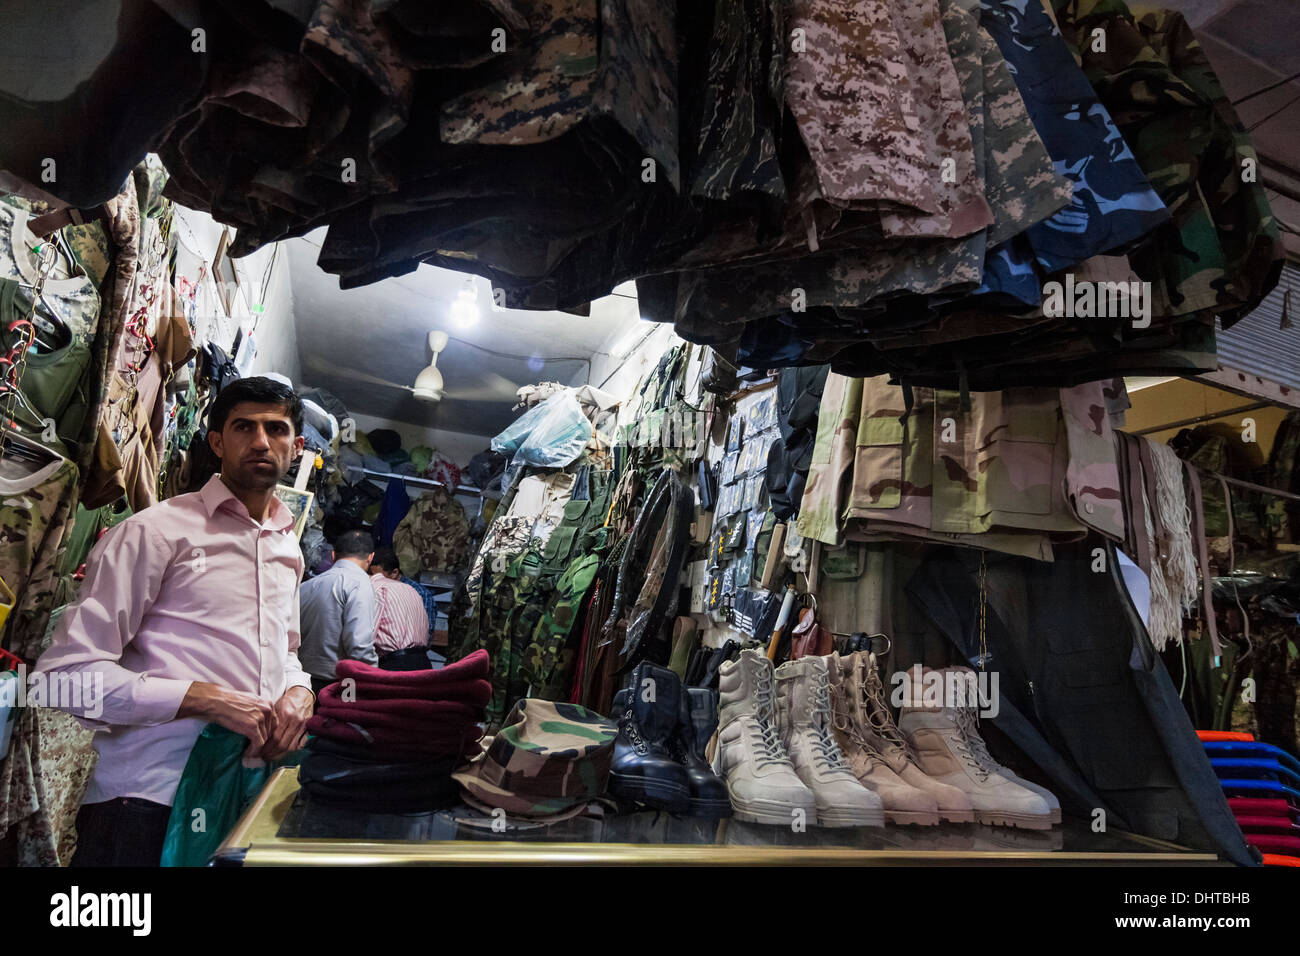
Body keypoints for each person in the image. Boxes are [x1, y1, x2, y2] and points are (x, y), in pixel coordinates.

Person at [34, 376, 316, 867]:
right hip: (146, 802)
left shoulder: (285, 547)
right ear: (216, 442)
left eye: (276, 428)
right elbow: (59, 681)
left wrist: (299, 692)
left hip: (246, 792)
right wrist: (199, 697)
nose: (261, 442)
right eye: (243, 427)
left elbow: (285, 651)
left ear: (297, 447)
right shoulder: (155, 532)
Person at [298, 529, 378, 694]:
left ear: (333, 555)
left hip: (302, 682)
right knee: (342, 719)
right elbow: (359, 646)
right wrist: (374, 679)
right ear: (370, 557)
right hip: (340, 684)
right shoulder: (358, 584)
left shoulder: (305, 587)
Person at [367, 547, 432, 669]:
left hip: (396, 664)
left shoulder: (377, 588)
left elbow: (366, 637)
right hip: (423, 663)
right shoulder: (411, 589)